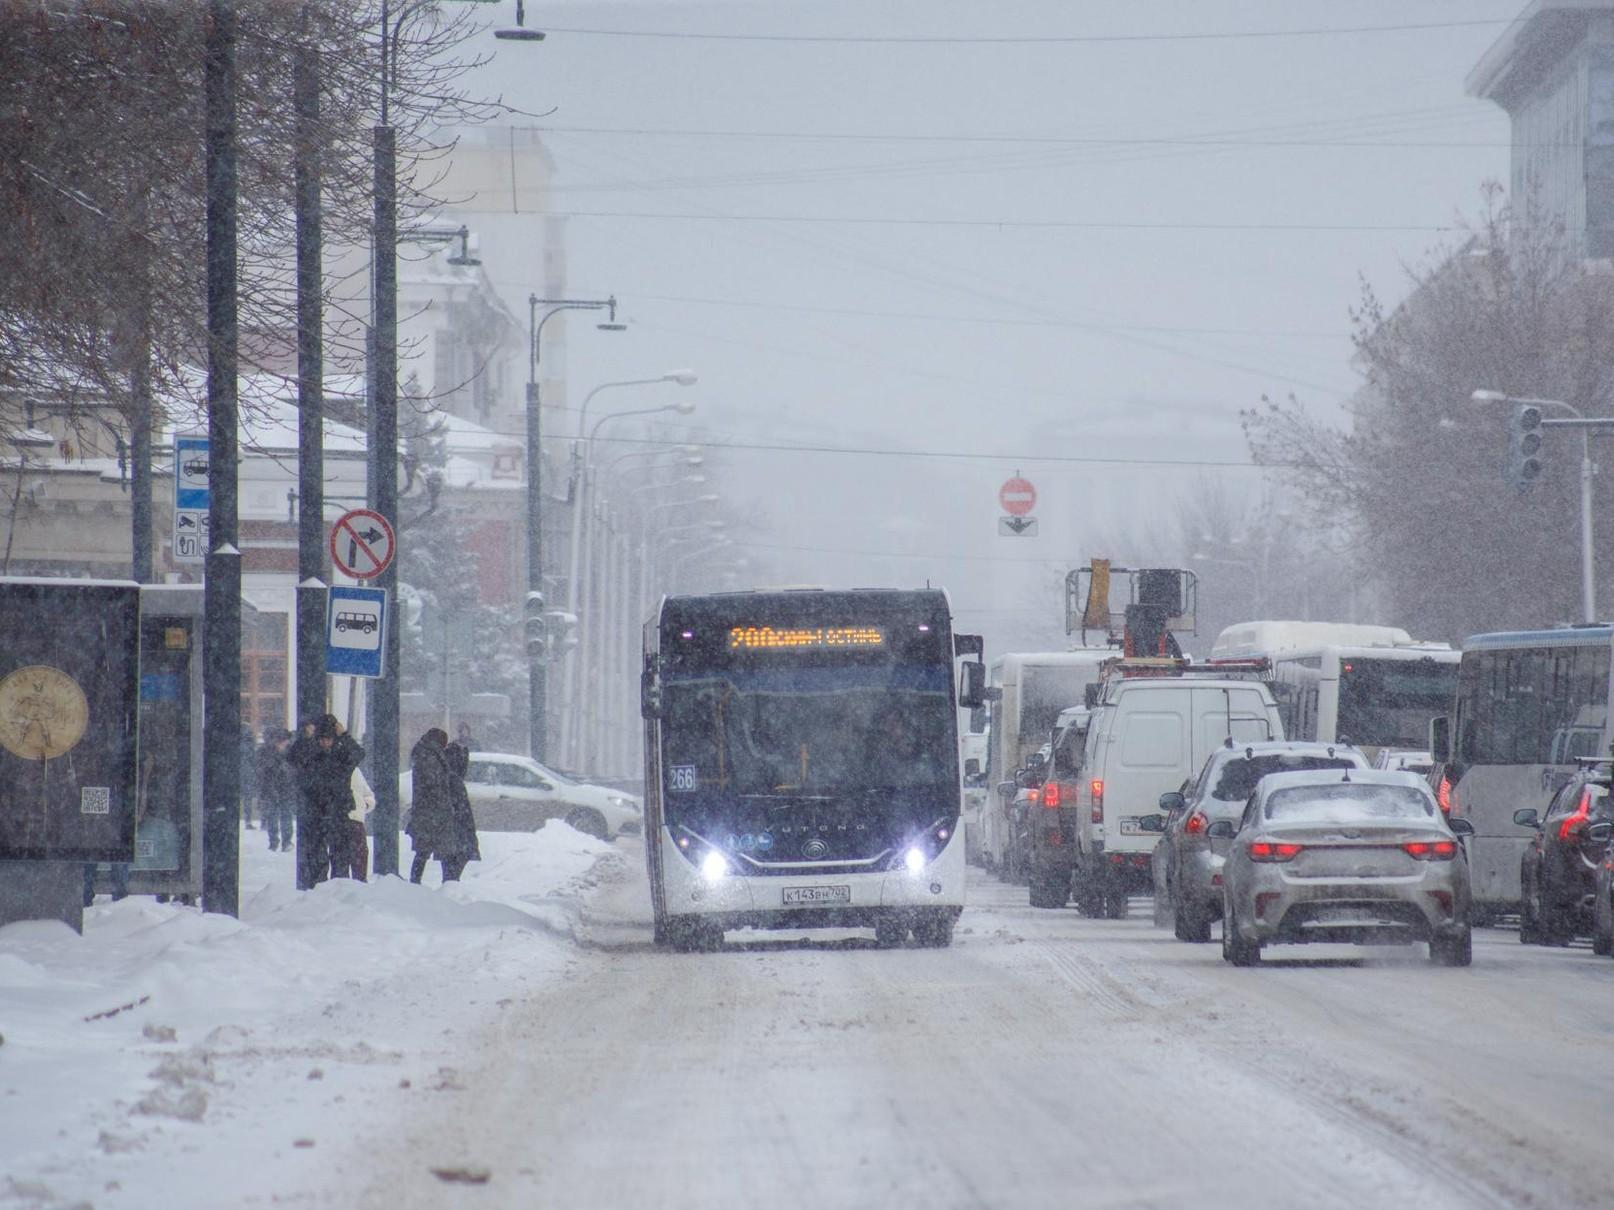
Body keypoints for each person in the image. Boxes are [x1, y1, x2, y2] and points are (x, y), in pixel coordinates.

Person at [288, 714, 365, 890]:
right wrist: (305, 738)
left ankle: (338, 886)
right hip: (320, 809)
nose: (325, 743)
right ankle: (320, 886)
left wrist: (345, 735)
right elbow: (292, 758)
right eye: (322, 739)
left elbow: (359, 754)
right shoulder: (312, 753)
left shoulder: (340, 753)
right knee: (319, 853)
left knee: (339, 853)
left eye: (328, 739)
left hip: (335, 809)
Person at [407, 728, 475, 884]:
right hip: (432, 812)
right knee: (432, 849)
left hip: (428, 812)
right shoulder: (429, 757)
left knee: (425, 850)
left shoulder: (425, 754)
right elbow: (435, 782)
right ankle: (422, 882)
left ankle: (417, 881)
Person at [441, 741, 481, 882]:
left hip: (452, 833)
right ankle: (450, 884)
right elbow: (462, 812)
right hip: (457, 833)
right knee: (454, 866)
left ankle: (450, 882)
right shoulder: (454, 781)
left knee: (450, 864)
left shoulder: (447, 777)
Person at [329, 765, 373, 881]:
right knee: (341, 857)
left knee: (360, 855)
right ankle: (342, 885)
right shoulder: (332, 768)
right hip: (340, 819)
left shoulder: (356, 771)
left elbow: (368, 794)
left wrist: (366, 804)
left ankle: (358, 885)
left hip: (356, 819)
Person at [257, 729, 298, 852]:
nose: (283, 743)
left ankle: (285, 842)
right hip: (273, 788)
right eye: (281, 741)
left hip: (285, 788)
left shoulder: (289, 753)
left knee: (285, 815)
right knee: (274, 816)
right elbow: (264, 772)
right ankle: (274, 842)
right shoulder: (267, 752)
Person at [240, 726, 260, 829]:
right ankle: (248, 821)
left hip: (239, 774)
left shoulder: (239, 745)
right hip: (248, 775)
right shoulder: (250, 746)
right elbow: (254, 761)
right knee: (248, 798)